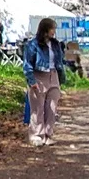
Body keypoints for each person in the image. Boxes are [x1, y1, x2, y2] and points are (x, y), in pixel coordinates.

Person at [21, 17, 68, 147]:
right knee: (38, 108)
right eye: (52, 29)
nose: (54, 32)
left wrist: (62, 77)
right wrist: (31, 80)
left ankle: (48, 134)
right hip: (38, 76)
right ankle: (36, 135)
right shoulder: (33, 44)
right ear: (45, 30)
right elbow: (27, 64)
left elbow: (60, 62)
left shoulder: (55, 44)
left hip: (53, 76)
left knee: (52, 107)